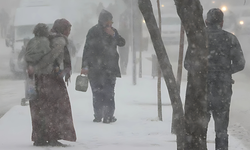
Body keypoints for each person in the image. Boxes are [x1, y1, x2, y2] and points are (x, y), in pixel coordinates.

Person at [25, 20, 76, 147]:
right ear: (62, 29)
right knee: (56, 108)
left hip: (37, 79)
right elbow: (50, 57)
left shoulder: (45, 38)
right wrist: (40, 69)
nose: (69, 32)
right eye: (67, 29)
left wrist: (34, 70)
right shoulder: (59, 40)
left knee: (39, 108)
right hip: (50, 79)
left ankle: (40, 137)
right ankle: (53, 137)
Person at [204, 8, 245, 150]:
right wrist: (225, 72)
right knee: (221, 130)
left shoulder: (198, 39)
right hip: (223, 89)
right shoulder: (230, 39)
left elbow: (187, 64)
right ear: (222, 22)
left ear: (206, 22)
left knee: (199, 129)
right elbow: (240, 64)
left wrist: (204, 72)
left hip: (202, 89)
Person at [81, 9, 125, 123]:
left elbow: (122, 43)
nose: (110, 23)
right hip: (98, 68)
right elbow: (87, 49)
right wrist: (85, 66)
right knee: (100, 92)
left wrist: (114, 35)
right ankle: (100, 115)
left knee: (106, 91)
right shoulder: (93, 32)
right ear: (102, 21)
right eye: (108, 21)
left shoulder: (112, 31)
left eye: (111, 21)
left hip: (107, 67)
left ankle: (106, 115)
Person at [118, 7, 130, 75]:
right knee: (123, 57)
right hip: (122, 46)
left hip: (126, 45)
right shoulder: (120, 30)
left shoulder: (127, 30)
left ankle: (124, 68)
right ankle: (123, 68)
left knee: (125, 57)